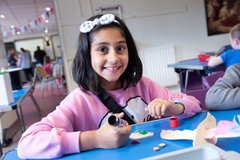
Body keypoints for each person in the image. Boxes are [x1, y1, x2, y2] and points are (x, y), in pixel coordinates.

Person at [17, 14, 202, 159]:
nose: (114, 58)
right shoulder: (78, 101)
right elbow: (27, 144)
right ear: (87, 55)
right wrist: (95, 139)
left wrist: (175, 107)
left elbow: (194, 103)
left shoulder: (143, 85)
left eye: (120, 48)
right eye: (102, 49)